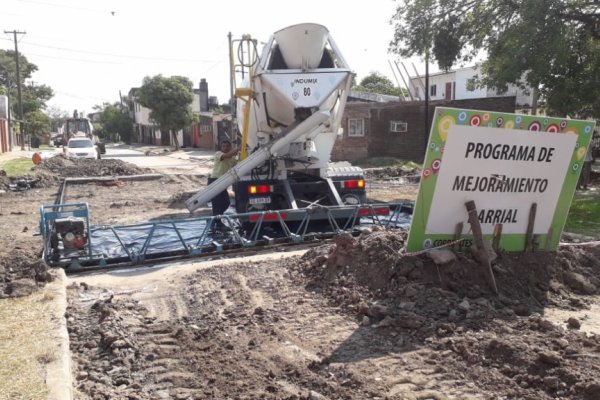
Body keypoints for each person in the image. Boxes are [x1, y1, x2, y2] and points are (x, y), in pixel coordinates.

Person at [209, 139, 239, 227]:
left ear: (230, 147)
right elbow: (227, 155)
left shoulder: (232, 159)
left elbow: (238, 165)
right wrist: (238, 148)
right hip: (215, 181)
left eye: (227, 146)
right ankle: (215, 223)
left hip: (223, 182)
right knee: (217, 204)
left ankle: (217, 220)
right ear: (221, 148)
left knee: (226, 202)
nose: (225, 148)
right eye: (223, 146)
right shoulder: (218, 154)